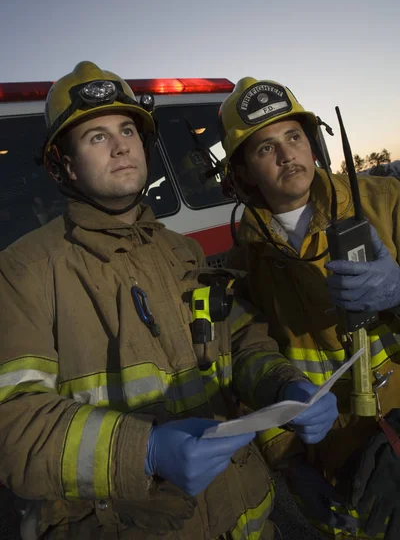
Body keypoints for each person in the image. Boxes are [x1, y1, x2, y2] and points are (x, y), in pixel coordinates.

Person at [0, 62, 338, 540]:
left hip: (248, 520)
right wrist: (144, 450)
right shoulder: (25, 271)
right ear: (65, 164)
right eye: (96, 137)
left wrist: (283, 385)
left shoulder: (182, 251)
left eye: (127, 131)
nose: (121, 145)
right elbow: (12, 425)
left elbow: (239, 340)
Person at [219, 77, 400, 540]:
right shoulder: (247, 265)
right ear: (243, 173)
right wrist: (289, 463)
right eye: (265, 148)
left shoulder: (387, 203)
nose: (287, 155)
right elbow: (249, 367)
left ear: (313, 143)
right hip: (336, 470)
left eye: (294, 136)